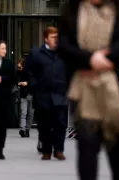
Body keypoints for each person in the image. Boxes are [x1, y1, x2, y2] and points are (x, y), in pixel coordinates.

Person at [58, 0, 119, 180]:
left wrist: (107, 57)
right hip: (84, 92)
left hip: (118, 91)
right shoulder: (73, 11)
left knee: (118, 154)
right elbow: (64, 46)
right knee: (87, 151)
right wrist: (90, 59)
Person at [25, 27, 68, 161]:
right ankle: (46, 150)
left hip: (60, 94)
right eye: (52, 37)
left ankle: (59, 150)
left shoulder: (64, 53)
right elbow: (29, 71)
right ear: (45, 38)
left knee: (61, 123)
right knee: (44, 124)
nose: (56, 40)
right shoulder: (36, 53)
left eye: (57, 37)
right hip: (43, 95)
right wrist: (34, 85)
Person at [17, 58, 33, 138]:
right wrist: (19, 83)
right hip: (24, 95)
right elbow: (16, 81)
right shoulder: (19, 73)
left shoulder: (31, 71)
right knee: (24, 112)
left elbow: (34, 81)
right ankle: (22, 129)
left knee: (30, 114)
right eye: (18, 67)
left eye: (20, 67)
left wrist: (26, 83)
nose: (18, 69)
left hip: (32, 94)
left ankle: (27, 129)